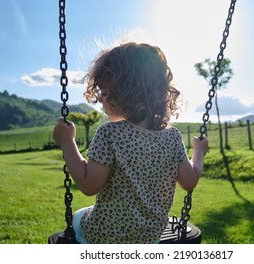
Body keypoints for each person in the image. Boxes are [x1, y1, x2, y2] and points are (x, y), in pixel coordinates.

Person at [53, 42, 208, 244]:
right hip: (148, 239)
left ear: (127, 93)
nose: (100, 100)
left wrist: (67, 142)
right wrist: (199, 152)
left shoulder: (109, 133)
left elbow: (89, 184)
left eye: (105, 93)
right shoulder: (172, 137)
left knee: (79, 216)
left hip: (104, 238)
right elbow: (190, 182)